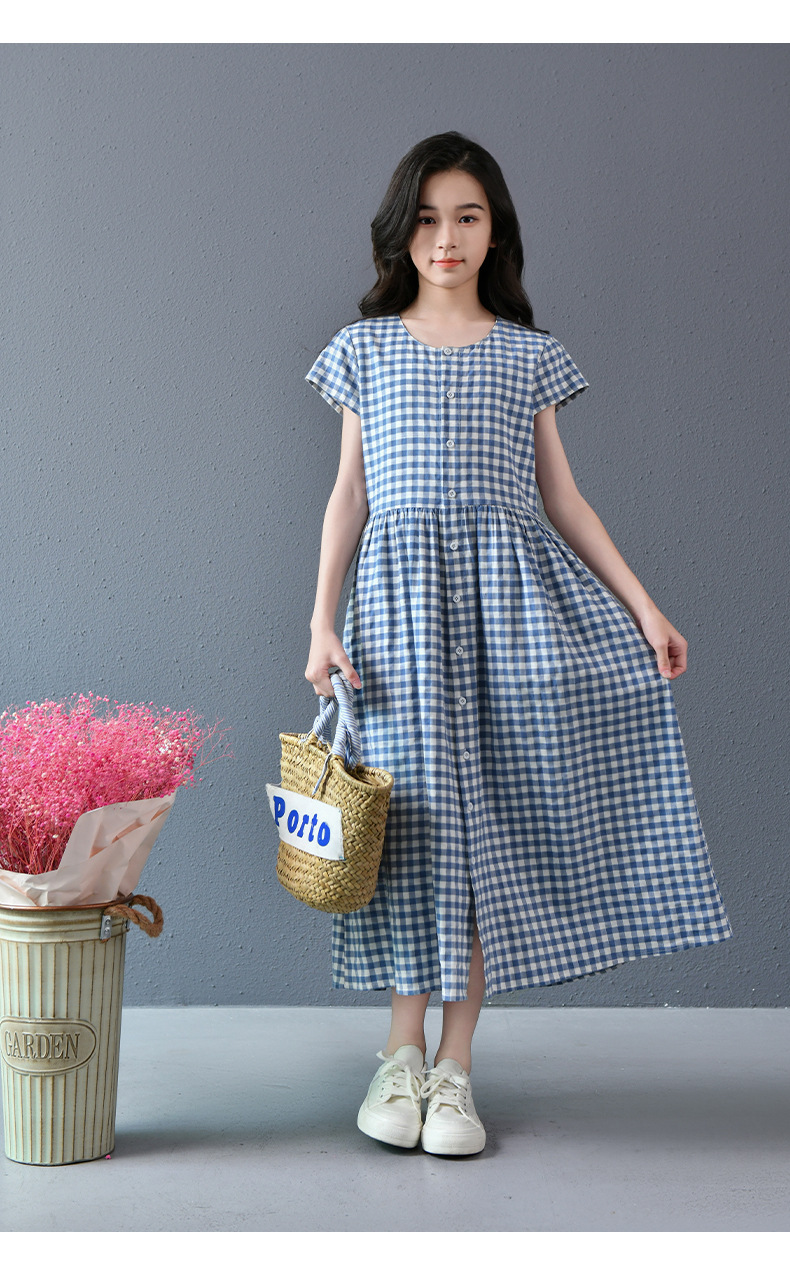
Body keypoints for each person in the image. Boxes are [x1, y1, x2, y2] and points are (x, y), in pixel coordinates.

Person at [303, 131, 732, 1157]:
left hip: (513, 618)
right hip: (398, 622)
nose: (445, 238)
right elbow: (349, 496)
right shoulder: (364, 350)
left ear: (495, 231)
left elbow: (563, 499)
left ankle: (455, 1067)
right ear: (400, 232)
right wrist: (319, 620)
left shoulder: (528, 354)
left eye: (467, 216)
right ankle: (399, 1052)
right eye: (426, 218)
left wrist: (644, 607)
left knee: (488, 832)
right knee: (410, 832)